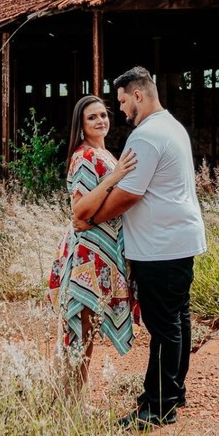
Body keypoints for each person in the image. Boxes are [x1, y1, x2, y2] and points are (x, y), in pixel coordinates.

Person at [72, 66, 206, 429]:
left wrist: (92, 218)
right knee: (177, 319)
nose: (121, 111)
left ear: (138, 96)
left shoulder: (145, 137)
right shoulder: (171, 126)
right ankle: (172, 392)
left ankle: (158, 407)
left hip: (160, 246)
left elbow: (130, 193)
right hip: (177, 240)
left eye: (121, 102)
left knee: (164, 326)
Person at [46, 95, 138, 395]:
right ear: (81, 125)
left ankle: (71, 399)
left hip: (100, 252)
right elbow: (80, 210)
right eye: (92, 118)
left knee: (86, 332)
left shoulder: (104, 153)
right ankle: (70, 402)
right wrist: (116, 176)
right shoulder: (85, 156)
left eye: (103, 115)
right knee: (80, 332)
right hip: (87, 255)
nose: (101, 121)